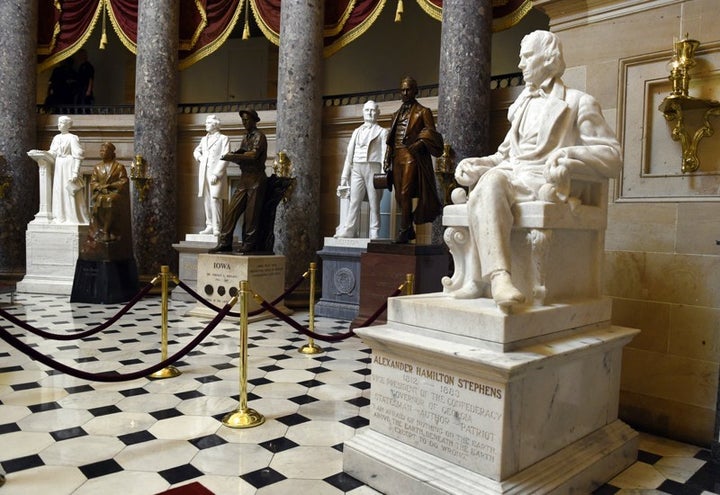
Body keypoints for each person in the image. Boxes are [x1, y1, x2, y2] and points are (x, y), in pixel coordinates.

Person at [452, 30, 622, 310]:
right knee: (490, 178)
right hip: (511, 175)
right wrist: (477, 163)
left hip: (543, 181)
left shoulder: (578, 102)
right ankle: (496, 279)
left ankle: (496, 279)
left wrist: (570, 154)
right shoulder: (520, 105)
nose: (520, 64)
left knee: (491, 183)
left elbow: (613, 156)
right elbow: (504, 155)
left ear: (549, 59)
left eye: (527, 56)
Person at [384, 76, 444, 244]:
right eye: (402, 90)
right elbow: (390, 138)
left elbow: (431, 133)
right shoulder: (395, 114)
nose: (405, 92)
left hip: (411, 155)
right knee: (399, 197)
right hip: (397, 156)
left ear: (415, 90)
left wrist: (420, 143)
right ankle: (408, 227)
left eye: (408, 89)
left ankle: (403, 231)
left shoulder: (423, 111)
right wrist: (387, 157)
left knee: (406, 193)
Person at [209, 109, 268, 254]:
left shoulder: (260, 136)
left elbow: (253, 155)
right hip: (244, 179)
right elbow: (242, 152)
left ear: (254, 120)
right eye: (243, 120)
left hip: (256, 179)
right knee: (231, 211)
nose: (244, 122)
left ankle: (249, 244)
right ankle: (225, 242)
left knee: (251, 215)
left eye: (247, 119)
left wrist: (234, 157)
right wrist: (233, 156)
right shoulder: (246, 137)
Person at [335, 100, 388, 239]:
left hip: (373, 167)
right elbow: (349, 156)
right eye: (367, 110)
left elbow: (384, 154)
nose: (370, 113)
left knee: (374, 201)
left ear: (378, 113)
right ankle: (349, 229)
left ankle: (374, 230)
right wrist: (344, 177)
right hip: (357, 168)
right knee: (354, 201)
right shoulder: (356, 132)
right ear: (363, 112)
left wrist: (383, 173)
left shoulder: (382, 132)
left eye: (372, 110)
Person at [29, 116, 89, 224]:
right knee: (59, 190)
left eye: (61, 123)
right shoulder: (56, 138)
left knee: (68, 191)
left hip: (68, 165)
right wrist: (41, 153)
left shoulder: (72, 137)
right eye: (58, 123)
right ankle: (60, 216)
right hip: (59, 166)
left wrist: (75, 172)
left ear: (67, 125)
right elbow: (53, 152)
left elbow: (78, 155)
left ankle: (71, 217)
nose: (59, 125)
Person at [193, 115, 230, 235]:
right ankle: (209, 225)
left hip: (215, 173)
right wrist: (200, 157)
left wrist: (217, 174)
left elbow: (225, 157)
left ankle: (217, 227)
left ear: (215, 125)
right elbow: (196, 150)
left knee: (215, 199)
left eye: (208, 123)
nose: (206, 125)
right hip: (204, 172)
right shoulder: (204, 139)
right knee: (206, 199)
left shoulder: (223, 138)